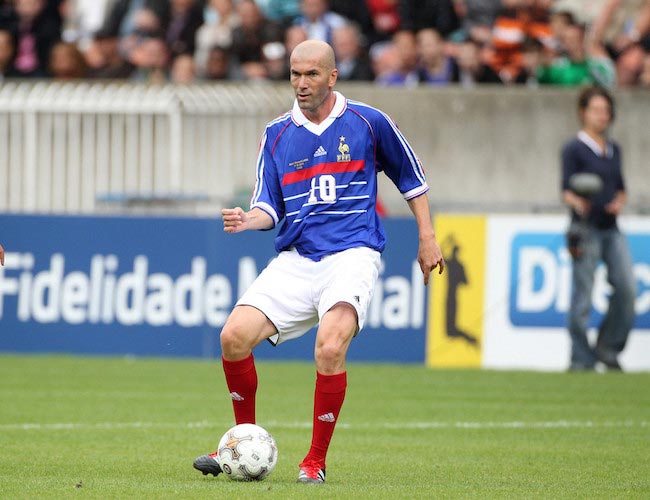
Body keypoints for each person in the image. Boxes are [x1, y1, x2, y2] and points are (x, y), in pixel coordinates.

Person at [193, 39, 445, 484]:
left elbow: (412, 180)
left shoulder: (369, 122)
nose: (301, 83)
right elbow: (268, 207)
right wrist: (247, 220)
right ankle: (239, 440)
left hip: (352, 254)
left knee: (329, 347)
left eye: (311, 74)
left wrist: (427, 237)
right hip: (297, 259)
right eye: (294, 74)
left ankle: (315, 460)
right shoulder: (276, 134)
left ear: (332, 76)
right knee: (233, 337)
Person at [561, 86, 636, 372]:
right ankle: (581, 358)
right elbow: (565, 189)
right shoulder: (574, 148)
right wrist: (579, 202)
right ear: (583, 113)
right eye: (596, 110)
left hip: (611, 227)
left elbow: (621, 188)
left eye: (605, 111)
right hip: (585, 227)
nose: (601, 116)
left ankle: (608, 348)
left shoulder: (614, 149)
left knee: (627, 288)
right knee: (583, 295)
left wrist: (618, 202)